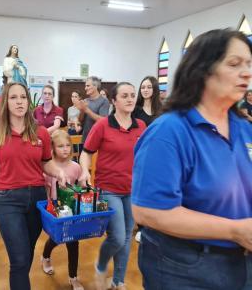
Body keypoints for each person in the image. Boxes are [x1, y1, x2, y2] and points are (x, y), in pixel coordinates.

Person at [131, 29, 252, 290]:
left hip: (241, 262)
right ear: (203, 70)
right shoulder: (169, 131)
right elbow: (147, 211)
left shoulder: (243, 128)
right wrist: (236, 230)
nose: (246, 72)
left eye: (249, 64)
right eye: (234, 64)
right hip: (185, 266)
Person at [0, 82, 67, 290]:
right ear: (5, 102)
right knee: (19, 260)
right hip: (8, 200)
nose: (19, 101)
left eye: (23, 97)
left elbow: (46, 162)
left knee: (26, 254)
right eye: (13, 97)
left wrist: (59, 171)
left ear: (29, 101)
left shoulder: (41, 133)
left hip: (37, 199)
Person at [79, 82, 146, 290]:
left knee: (126, 237)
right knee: (117, 237)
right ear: (114, 101)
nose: (130, 99)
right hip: (108, 188)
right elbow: (86, 152)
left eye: (132, 95)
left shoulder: (141, 126)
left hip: (133, 190)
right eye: (124, 95)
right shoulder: (103, 125)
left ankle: (118, 280)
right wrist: (84, 171)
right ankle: (101, 263)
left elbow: (146, 156)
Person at [40, 130, 84, 290]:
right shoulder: (48, 167)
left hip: (72, 212)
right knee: (56, 238)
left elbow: (80, 188)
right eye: (60, 146)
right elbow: (45, 190)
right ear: (52, 147)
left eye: (67, 145)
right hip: (54, 211)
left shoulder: (76, 167)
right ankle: (45, 257)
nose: (65, 149)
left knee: (73, 242)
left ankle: (73, 278)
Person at [75, 76, 110, 142]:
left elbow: (103, 120)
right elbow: (80, 121)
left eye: (88, 86)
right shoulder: (85, 101)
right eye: (85, 86)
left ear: (95, 86)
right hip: (85, 138)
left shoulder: (104, 101)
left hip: (98, 138)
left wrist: (86, 110)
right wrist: (82, 111)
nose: (85, 88)